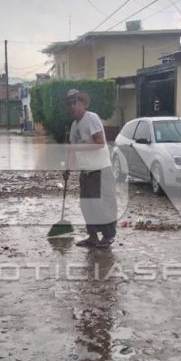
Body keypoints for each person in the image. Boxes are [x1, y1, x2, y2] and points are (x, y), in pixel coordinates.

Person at [63, 88, 118, 248]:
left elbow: (100, 142)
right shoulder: (74, 125)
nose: (72, 106)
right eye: (70, 104)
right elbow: (72, 148)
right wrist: (68, 168)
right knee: (86, 204)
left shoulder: (91, 118)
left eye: (75, 102)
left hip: (100, 169)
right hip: (86, 171)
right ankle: (93, 236)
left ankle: (108, 237)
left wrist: (77, 149)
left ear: (82, 103)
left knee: (102, 204)